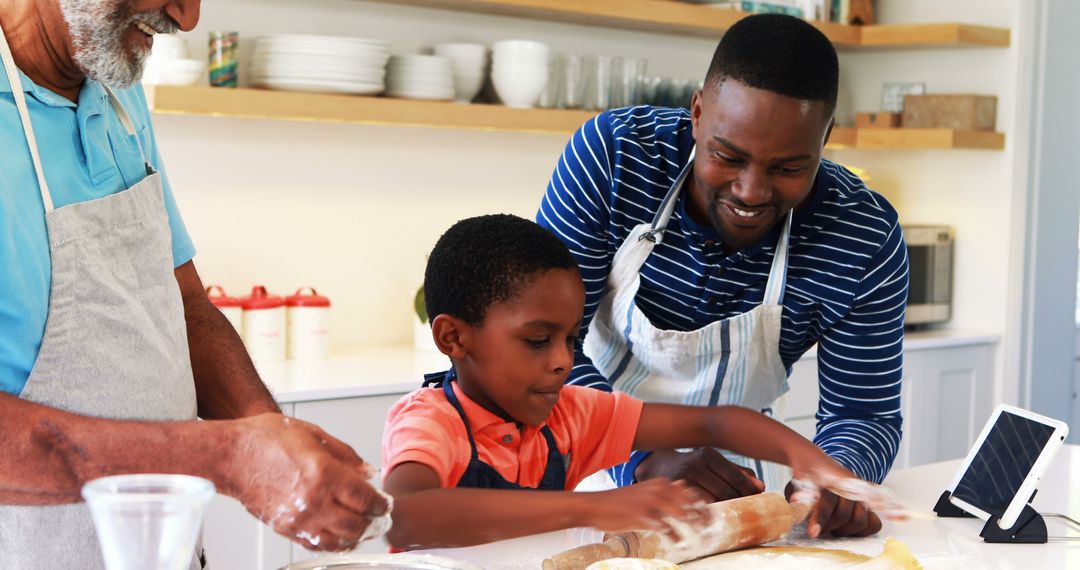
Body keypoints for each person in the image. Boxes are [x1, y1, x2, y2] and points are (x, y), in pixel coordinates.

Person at [0, 1, 386, 568]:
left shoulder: (116, 88)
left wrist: (272, 435)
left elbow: (183, 303)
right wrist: (230, 459)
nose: (187, 17)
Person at [537, 13, 909, 539]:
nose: (752, 191)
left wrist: (836, 480)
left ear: (825, 137)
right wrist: (641, 459)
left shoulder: (861, 234)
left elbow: (862, 413)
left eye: (788, 168)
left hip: (738, 498)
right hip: (580, 466)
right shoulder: (615, 158)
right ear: (696, 113)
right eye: (727, 156)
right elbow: (544, 354)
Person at [380, 214, 881, 549]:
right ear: (453, 337)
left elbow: (716, 424)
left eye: (573, 339)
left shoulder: (571, 414)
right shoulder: (431, 422)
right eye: (537, 340)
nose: (561, 361)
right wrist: (597, 506)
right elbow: (406, 512)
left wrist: (808, 460)